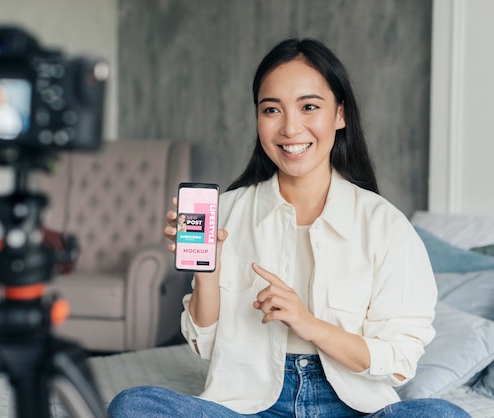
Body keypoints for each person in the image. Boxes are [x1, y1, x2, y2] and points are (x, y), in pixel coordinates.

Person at [107, 38, 469, 417]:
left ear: (340, 115)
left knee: (442, 414)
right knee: (134, 406)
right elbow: (205, 347)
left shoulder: (384, 225)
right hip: (249, 406)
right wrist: (207, 274)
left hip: (352, 407)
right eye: (271, 110)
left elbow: (398, 361)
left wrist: (308, 324)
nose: (290, 128)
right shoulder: (227, 213)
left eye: (309, 106)